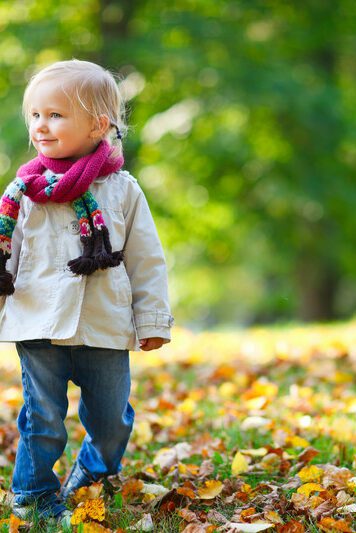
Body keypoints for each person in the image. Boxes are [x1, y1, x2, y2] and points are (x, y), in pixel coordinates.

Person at [0, 59, 173, 523]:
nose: (41, 125)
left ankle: (94, 473)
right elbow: (4, 259)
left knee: (112, 420)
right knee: (44, 419)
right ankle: (34, 492)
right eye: (35, 115)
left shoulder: (122, 190)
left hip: (104, 324)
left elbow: (147, 260)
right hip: (39, 324)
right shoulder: (25, 193)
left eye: (56, 115)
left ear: (99, 125)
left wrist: (152, 320)